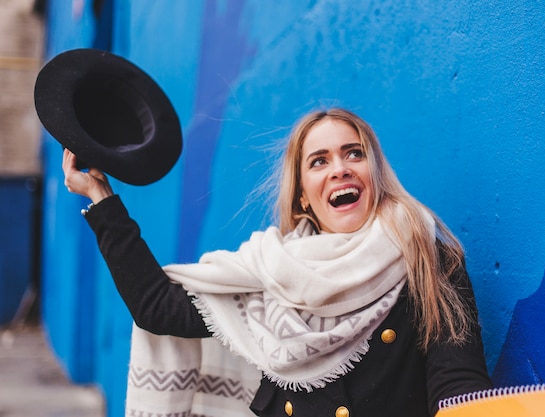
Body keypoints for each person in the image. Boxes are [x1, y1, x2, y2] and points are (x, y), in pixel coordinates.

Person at [62, 108, 492, 417]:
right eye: (319, 161)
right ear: (304, 195)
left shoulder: (428, 256)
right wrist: (101, 198)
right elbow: (156, 308)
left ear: (375, 174)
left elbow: (458, 385)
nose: (340, 168)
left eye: (354, 153)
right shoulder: (271, 273)